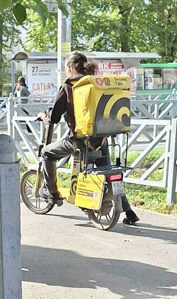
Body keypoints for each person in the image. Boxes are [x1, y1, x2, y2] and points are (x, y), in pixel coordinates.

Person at [38, 51, 139, 225]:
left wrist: (43, 116)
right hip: (101, 139)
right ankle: (128, 211)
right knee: (109, 172)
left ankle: (52, 194)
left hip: (77, 141)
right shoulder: (95, 84)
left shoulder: (69, 86)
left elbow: (54, 117)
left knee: (47, 153)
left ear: (70, 67)